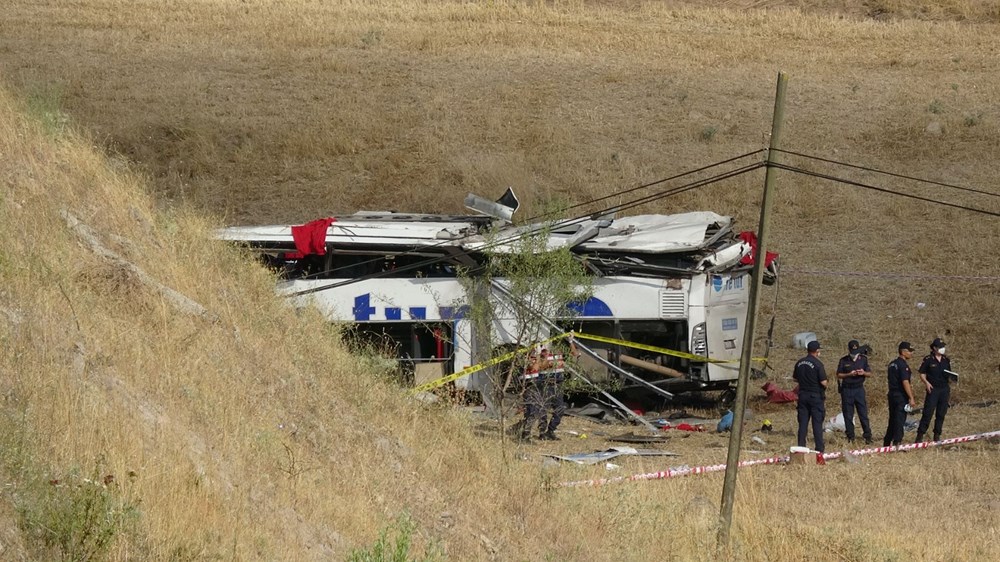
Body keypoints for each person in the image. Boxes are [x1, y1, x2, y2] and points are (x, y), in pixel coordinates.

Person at [793, 340, 828, 453]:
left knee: (803, 423)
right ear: (817, 351)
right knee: (817, 424)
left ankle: (801, 447)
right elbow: (823, 382)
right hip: (815, 397)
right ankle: (819, 449)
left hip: (802, 395)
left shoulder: (799, 363)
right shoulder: (818, 364)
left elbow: (795, 378)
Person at [836, 340, 873, 444]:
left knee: (863, 414)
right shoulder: (844, 360)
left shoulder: (863, 359)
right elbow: (839, 375)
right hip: (847, 389)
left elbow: (869, 373)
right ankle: (850, 437)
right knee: (848, 414)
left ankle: (867, 435)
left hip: (859, 389)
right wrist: (849, 374)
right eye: (853, 350)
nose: (854, 353)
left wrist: (863, 373)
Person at [916, 338, 953, 442]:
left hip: (944, 389)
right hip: (933, 389)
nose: (942, 349)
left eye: (943, 347)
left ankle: (937, 434)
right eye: (940, 347)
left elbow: (949, 372)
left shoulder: (946, 360)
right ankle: (920, 435)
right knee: (928, 413)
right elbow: (922, 373)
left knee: (941, 413)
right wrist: (926, 383)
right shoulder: (928, 359)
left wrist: (953, 378)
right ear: (934, 348)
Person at [883, 342, 917, 447]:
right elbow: (905, 382)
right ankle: (897, 442)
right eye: (909, 351)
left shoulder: (892, 364)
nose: (911, 353)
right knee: (899, 419)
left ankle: (887, 442)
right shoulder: (903, 365)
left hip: (892, 394)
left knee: (892, 419)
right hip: (900, 395)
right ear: (903, 352)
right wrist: (911, 397)